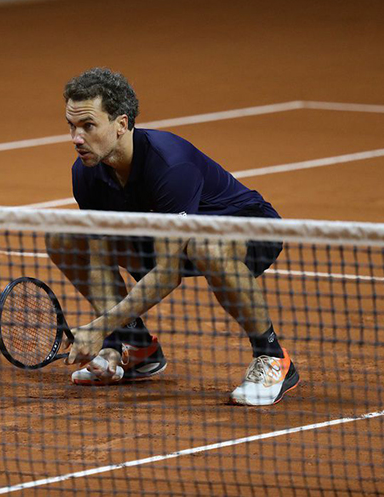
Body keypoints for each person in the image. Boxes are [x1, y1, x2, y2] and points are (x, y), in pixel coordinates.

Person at [45, 67, 299, 406]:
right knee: (63, 237)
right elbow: (101, 255)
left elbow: (167, 274)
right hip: (171, 236)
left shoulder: (169, 165)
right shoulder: (87, 173)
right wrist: (111, 337)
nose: (76, 138)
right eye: (71, 126)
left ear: (121, 124)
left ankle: (272, 355)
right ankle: (137, 348)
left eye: (88, 126)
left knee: (205, 246)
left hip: (247, 230)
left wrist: (98, 325)